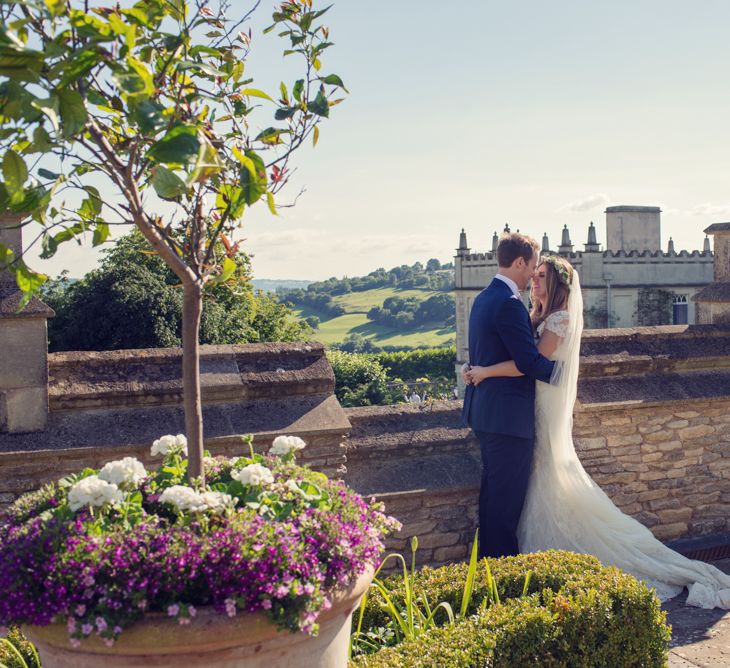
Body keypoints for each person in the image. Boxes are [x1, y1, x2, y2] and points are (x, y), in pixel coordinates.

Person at [466, 255, 730, 609]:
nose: (535, 281)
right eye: (535, 274)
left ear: (558, 285)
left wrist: (483, 371)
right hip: (525, 408)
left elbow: (530, 365)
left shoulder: (559, 319)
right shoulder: (535, 315)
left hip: (543, 406)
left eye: (542, 277)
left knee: (549, 475)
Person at [461, 233, 557, 559]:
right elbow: (529, 362)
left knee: (493, 496)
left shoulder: (483, 298)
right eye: (532, 266)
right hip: (508, 420)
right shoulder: (509, 303)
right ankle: (501, 574)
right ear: (519, 262)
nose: (533, 274)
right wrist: (565, 376)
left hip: (486, 412)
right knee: (506, 503)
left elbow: (483, 354)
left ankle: (487, 567)